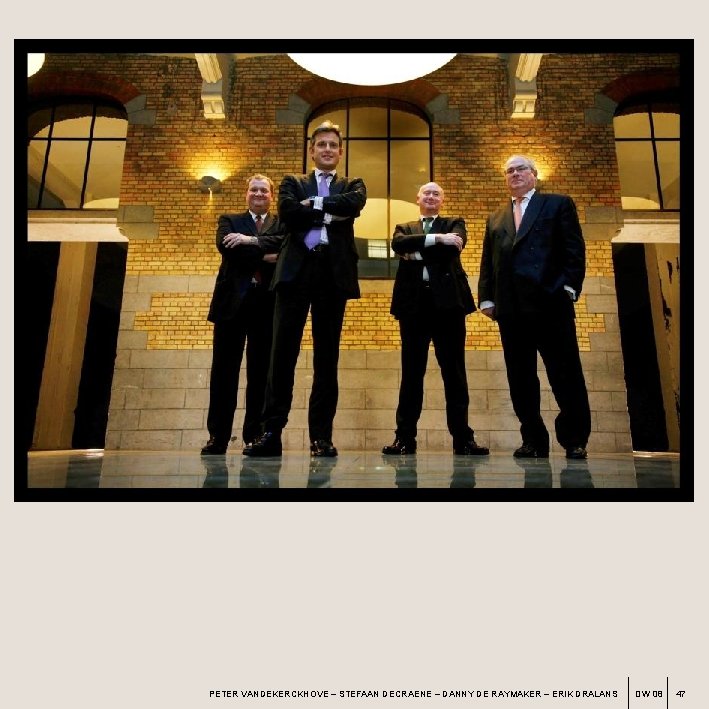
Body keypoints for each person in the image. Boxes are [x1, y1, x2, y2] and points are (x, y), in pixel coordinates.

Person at [244, 121, 367, 458]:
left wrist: (311, 205)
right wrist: (329, 210)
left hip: (333, 274)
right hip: (294, 273)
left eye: (333, 145)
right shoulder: (291, 182)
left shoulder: (352, 184)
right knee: (282, 355)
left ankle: (321, 438)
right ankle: (271, 432)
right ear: (312, 151)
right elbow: (287, 212)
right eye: (321, 144)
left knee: (327, 359)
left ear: (340, 152)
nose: (327, 149)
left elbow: (354, 204)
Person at [478, 155, 591, 460]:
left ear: (534, 174)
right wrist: (487, 297)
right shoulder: (496, 217)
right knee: (520, 377)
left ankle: (574, 439)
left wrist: (569, 287)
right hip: (511, 308)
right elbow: (489, 260)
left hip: (550, 302)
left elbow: (574, 247)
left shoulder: (557, 204)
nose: (515, 174)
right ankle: (533, 440)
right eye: (509, 170)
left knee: (565, 373)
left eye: (521, 169)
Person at [382, 182, 489, 457]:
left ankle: (463, 439)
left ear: (442, 199)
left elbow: (452, 251)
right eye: (426, 193)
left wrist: (416, 253)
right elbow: (398, 244)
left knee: (454, 373)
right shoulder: (404, 226)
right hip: (413, 307)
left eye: (436, 193)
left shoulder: (455, 223)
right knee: (411, 373)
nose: (431, 196)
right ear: (418, 198)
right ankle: (404, 438)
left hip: (449, 307)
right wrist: (438, 239)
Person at [200, 174, 285, 455]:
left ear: (272, 195)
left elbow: (285, 247)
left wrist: (248, 242)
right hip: (230, 307)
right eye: (254, 189)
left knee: (261, 374)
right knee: (223, 373)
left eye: (264, 190)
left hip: (267, 306)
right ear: (246, 193)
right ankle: (218, 437)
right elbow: (226, 248)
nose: (259, 194)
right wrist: (265, 254)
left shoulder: (282, 224)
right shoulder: (229, 220)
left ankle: (255, 436)